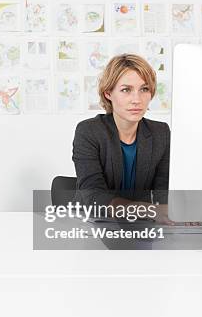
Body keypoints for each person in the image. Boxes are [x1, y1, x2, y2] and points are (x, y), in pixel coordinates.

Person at [72, 53, 170, 222]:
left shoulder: (160, 133)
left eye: (144, 89)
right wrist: (150, 210)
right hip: (94, 224)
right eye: (126, 90)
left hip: (141, 226)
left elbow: (164, 194)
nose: (136, 100)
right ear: (108, 93)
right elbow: (95, 197)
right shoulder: (89, 131)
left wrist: (191, 213)